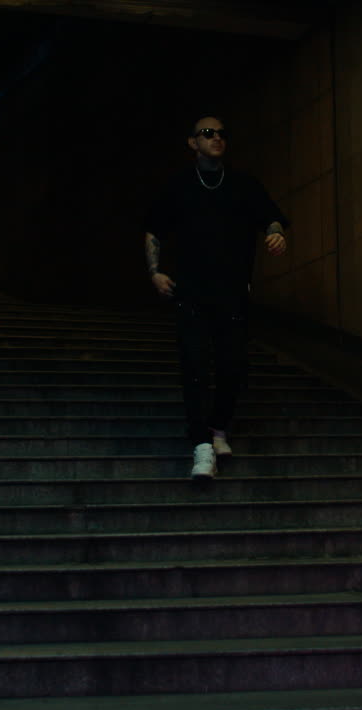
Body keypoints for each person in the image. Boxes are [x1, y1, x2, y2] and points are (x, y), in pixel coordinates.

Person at [143, 115, 289, 480]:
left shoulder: (243, 185)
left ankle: (218, 426)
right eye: (208, 133)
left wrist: (276, 234)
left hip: (233, 294)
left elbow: (271, 217)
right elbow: (154, 231)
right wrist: (155, 272)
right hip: (190, 293)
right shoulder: (178, 186)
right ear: (192, 142)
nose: (217, 138)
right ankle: (201, 447)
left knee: (233, 366)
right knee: (194, 366)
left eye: (222, 133)